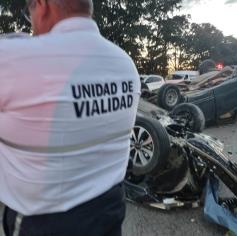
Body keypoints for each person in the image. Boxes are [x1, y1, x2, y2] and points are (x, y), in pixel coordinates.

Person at [0, 0, 140, 235]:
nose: (32, 26)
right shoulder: (125, 64)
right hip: (108, 213)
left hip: (42, 222)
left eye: (29, 13)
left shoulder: (13, 58)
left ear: (42, 5)